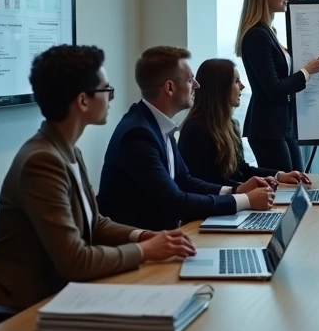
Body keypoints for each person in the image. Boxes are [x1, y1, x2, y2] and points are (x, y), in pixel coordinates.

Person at [0, 45, 195, 310]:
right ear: (82, 101)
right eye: (106, 89)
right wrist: (145, 251)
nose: (111, 97)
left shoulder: (67, 149)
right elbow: (75, 262)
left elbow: (97, 223)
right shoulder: (42, 161)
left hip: (59, 286)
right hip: (27, 302)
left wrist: (144, 237)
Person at [96, 46, 274, 232]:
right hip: (140, 249)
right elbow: (177, 202)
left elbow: (184, 180)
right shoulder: (138, 135)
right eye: (190, 80)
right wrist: (245, 200)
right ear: (170, 88)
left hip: (165, 239)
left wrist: (236, 190)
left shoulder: (156, 124)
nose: (197, 85)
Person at [236, 0, 319, 172]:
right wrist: (306, 71)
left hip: (281, 126)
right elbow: (274, 88)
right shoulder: (256, 36)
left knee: (297, 182)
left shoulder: (269, 33)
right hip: (267, 129)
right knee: (286, 189)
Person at [178, 58, 312, 187]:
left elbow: (241, 170)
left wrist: (279, 175)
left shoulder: (230, 125)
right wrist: (242, 191)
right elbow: (202, 183)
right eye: (236, 81)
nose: (242, 86)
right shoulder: (195, 130)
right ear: (220, 88)